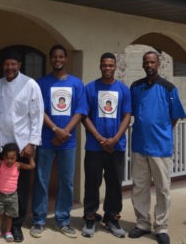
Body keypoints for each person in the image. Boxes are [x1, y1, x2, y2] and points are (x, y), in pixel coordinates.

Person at [0, 48, 44, 242]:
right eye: (6, 64)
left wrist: (32, 143)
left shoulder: (31, 85)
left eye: (13, 64)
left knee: (19, 190)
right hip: (0, 145)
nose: (10, 67)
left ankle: (16, 225)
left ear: (20, 65)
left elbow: (37, 115)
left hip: (22, 148)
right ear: (2, 66)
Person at [128, 51, 186, 244]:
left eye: (153, 61)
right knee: (140, 187)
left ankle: (161, 227)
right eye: (146, 62)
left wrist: (162, 131)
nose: (149, 64)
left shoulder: (169, 88)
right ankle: (143, 223)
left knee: (162, 188)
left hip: (160, 147)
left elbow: (176, 115)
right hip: (139, 145)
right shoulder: (135, 87)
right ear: (143, 65)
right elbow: (131, 112)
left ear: (158, 64)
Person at [30, 44, 87, 239]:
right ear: (50, 59)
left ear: (66, 59)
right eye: (54, 57)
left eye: (61, 57)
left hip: (68, 142)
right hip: (46, 140)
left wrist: (65, 132)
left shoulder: (76, 84)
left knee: (66, 182)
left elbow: (80, 110)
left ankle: (63, 220)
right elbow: (39, 110)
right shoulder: (42, 83)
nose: (58, 60)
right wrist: (55, 129)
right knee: (41, 180)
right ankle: (39, 220)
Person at [82, 52, 131, 238]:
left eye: (111, 65)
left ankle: (111, 217)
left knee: (114, 184)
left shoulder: (123, 89)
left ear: (115, 67)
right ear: (100, 66)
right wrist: (100, 139)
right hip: (95, 147)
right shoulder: (90, 88)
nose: (108, 68)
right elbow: (84, 116)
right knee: (92, 182)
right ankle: (90, 216)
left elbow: (127, 115)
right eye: (104, 65)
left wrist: (115, 139)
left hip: (116, 147)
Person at [0, 143, 36, 243]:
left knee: (9, 215)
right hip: (0, 195)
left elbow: (32, 166)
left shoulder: (18, 165)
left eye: (12, 158)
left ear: (16, 158)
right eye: (7, 158)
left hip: (12, 196)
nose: (9, 161)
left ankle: (8, 232)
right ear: (3, 157)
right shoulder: (0, 164)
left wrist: (30, 156)